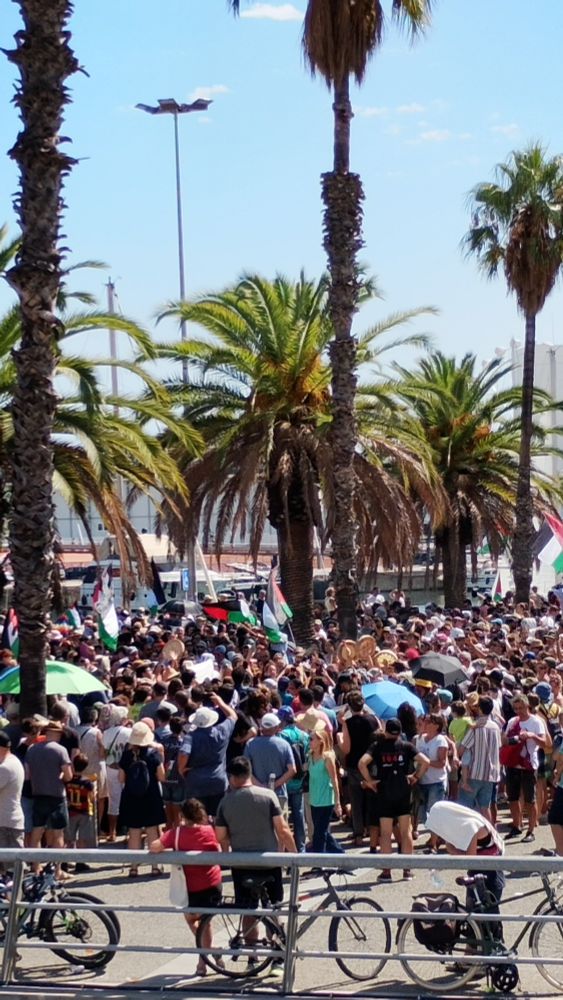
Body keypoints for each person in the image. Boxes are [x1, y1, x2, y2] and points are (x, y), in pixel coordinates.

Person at [215, 756, 296, 978]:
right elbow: (282, 831)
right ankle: (278, 959)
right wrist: (294, 855)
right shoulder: (268, 796)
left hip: (242, 864)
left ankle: (252, 958)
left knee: (247, 911)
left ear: (231, 777)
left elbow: (221, 836)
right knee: (275, 909)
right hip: (269, 862)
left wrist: (227, 854)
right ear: (249, 773)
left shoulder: (226, 802)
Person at [150, 798, 222, 977]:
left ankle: (204, 959)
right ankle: (206, 956)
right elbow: (218, 850)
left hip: (190, 886)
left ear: (182, 815)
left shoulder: (176, 834)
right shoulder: (209, 831)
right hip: (212, 882)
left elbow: (154, 846)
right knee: (206, 922)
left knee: (192, 920)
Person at [358, 718, 429, 881]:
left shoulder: (377, 746)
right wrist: (416, 777)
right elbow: (426, 762)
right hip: (403, 791)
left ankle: (386, 872)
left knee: (385, 833)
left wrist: (369, 781)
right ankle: (407, 870)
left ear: (386, 731)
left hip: (384, 791)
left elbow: (362, 763)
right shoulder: (406, 746)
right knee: (406, 831)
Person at [426, 801, 505, 942]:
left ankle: (492, 957)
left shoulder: (470, 826)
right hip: (480, 871)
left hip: (489, 874)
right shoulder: (462, 824)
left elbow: (469, 858)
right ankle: (472, 958)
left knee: (488, 920)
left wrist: (451, 853)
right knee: (475, 919)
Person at [177, 694, 237, 818]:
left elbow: (184, 753)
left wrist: (181, 769)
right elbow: (233, 716)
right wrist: (220, 702)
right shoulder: (221, 731)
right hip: (218, 781)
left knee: (197, 817)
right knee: (218, 817)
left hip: (196, 782)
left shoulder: (191, 737)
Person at [118, 721, 166, 877]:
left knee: (134, 832)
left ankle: (133, 867)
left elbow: (121, 778)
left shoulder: (126, 756)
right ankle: (155, 866)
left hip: (131, 797)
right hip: (151, 796)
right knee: (152, 831)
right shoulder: (153, 755)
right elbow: (161, 776)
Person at [26, 720, 73, 875]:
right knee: (58, 834)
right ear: (57, 733)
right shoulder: (60, 750)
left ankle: (36, 867)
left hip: (38, 794)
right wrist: (59, 775)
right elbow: (68, 776)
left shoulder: (32, 750)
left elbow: (27, 775)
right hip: (57, 796)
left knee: (37, 832)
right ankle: (58, 870)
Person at [501, 693, 546, 843]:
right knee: (512, 797)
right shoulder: (513, 721)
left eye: (521, 708)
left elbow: (545, 743)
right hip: (513, 763)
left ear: (528, 706)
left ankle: (531, 830)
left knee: (530, 799)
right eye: (516, 708)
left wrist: (532, 736)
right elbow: (504, 741)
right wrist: (514, 739)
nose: (519, 711)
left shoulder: (536, 721)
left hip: (529, 765)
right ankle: (516, 825)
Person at [338, 691, 379, 846]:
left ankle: (358, 833)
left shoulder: (348, 724)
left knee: (356, 800)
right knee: (370, 798)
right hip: (370, 763)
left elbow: (346, 749)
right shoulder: (373, 720)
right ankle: (371, 829)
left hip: (354, 763)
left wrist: (339, 740)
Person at [458, 696, 501, 822]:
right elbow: (498, 746)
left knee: (465, 808)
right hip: (490, 774)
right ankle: (491, 836)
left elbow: (461, 749)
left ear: (480, 709)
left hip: (474, 772)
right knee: (484, 808)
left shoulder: (475, 728)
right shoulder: (495, 727)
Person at [244, 712, 296, 811]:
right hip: (279, 794)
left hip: (257, 794)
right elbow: (292, 770)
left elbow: (246, 771)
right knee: (280, 825)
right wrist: (274, 785)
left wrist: (260, 786)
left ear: (262, 727)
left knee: (260, 825)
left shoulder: (250, 744)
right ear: (276, 727)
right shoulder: (284, 745)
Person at [415, 714, 449, 852]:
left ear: (436, 725)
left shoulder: (441, 741)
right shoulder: (419, 739)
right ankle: (438, 836)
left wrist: (427, 763)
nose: (425, 723)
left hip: (436, 782)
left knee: (433, 812)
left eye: (429, 722)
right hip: (422, 780)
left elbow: (442, 763)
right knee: (422, 814)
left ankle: (433, 843)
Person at [277, 706, 309, 852]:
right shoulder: (303, 735)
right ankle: (300, 847)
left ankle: (285, 847)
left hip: (284, 780)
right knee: (299, 814)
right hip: (300, 779)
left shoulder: (281, 736)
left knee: (283, 816)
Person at [308, 728, 343, 854]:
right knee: (321, 830)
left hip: (326, 800)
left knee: (319, 833)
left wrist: (338, 802)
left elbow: (334, 781)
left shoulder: (327, 758)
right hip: (314, 800)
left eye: (311, 739)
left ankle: (318, 861)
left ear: (320, 741)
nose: (309, 741)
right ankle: (340, 854)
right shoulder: (310, 756)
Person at [101, 704, 131, 841]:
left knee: (113, 801)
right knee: (130, 798)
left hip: (111, 768)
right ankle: (130, 831)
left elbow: (103, 753)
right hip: (127, 769)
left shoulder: (106, 733)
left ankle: (112, 832)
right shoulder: (129, 732)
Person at [65, 752, 97, 868]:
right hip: (84, 811)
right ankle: (80, 862)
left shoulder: (68, 780)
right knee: (82, 838)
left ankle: (65, 861)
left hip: (71, 810)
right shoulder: (87, 783)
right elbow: (92, 797)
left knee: (69, 838)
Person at [0, 730, 24, 857]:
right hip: (9, 822)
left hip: (6, 825)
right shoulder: (14, 760)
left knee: (11, 869)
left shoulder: (5, 768)